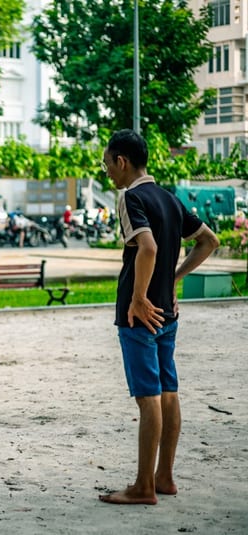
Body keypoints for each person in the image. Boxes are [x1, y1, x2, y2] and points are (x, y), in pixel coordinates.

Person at [98, 129, 219, 505]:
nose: (107, 172)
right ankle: (164, 476)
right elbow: (209, 241)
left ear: (122, 161)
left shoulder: (130, 197)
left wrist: (137, 298)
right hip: (167, 313)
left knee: (148, 397)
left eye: (107, 164)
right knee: (168, 392)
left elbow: (147, 248)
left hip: (139, 316)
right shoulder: (169, 198)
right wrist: (173, 280)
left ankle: (143, 486)